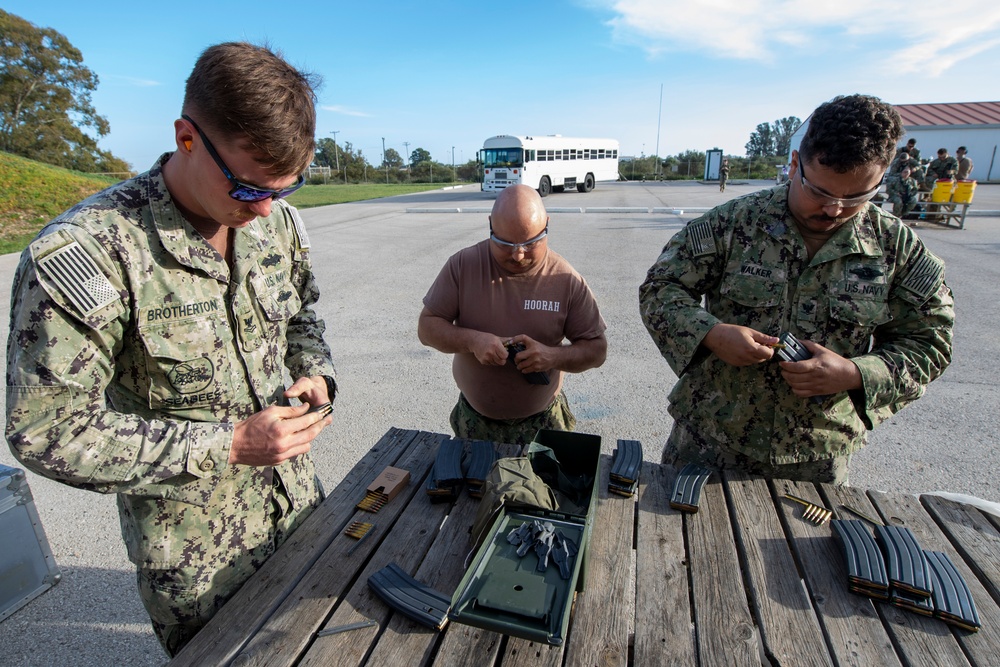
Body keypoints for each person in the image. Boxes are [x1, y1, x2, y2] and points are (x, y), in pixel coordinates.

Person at [5, 42, 337, 657]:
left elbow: (301, 318)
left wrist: (313, 371)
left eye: (284, 189)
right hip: (197, 560)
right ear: (187, 137)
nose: (264, 209)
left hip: (299, 511)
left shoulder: (274, 223)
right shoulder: (89, 254)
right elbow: (46, 431)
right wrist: (230, 445)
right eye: (245, 186)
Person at [638, 94, 954, 485]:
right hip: (711, 443)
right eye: (820, 192)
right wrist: (711, 334)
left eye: (856, 197)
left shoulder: (898, 249)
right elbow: (660, 290)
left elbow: (930, 344)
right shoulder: (732, 224)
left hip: (817, 458)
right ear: (793, 165)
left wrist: (856, 372)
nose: (834, 209)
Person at [418, 184, 607, 445]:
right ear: (490, 225)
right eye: (505, 243)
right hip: (475, 422)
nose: (518, 255)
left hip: (543, 423)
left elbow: (597, 350)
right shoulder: (463, 266)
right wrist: (473, 341)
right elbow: (427, 328)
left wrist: (552, 356)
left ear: (547, 225)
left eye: (531, 243)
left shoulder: (566, 280)